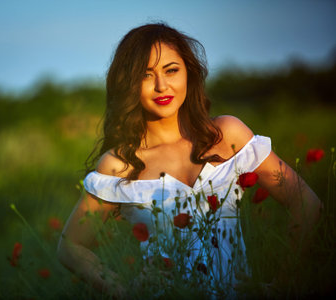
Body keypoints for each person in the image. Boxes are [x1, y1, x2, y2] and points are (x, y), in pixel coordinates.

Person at [57, 23, 321, 298]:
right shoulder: (121, 164)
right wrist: (122, 291)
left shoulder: (227, 135)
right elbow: (70, 246)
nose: (162, 86)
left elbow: (306, 203)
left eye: (171, 70)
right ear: (129, 83)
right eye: (146, 75)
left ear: (189, 74)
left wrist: (280, 287)